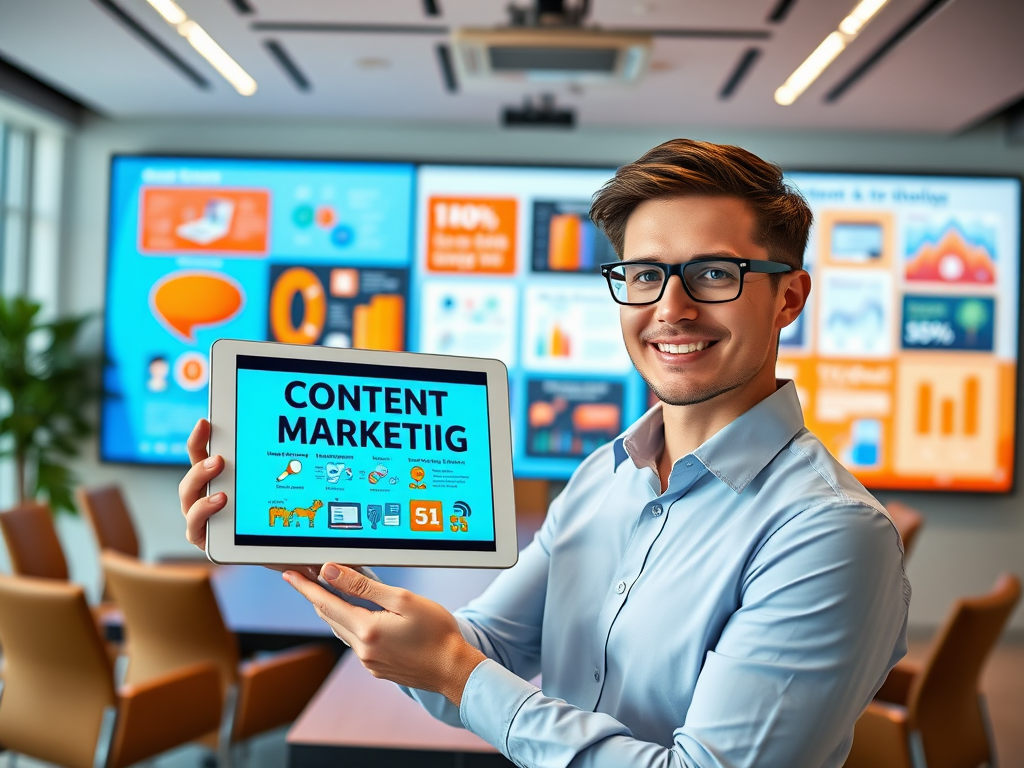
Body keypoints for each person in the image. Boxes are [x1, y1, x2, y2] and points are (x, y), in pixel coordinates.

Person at [179, 139, 910, 768]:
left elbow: (468, 675)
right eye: (645, 274)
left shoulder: (829, 532)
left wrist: (461, 674)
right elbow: (476, 649)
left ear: (789, 298)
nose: (671, 308)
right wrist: (304, 543)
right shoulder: (605, 476)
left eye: (714, 274)